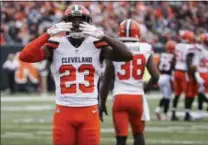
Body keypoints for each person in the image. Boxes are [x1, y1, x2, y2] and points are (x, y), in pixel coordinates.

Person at [19, 4, 133, 145]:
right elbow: (25, 56)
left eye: (81, 20)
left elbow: (128, 55)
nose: (77, 23)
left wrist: (104, 36)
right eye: (72, 19)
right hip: (64, 111)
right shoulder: (55, 45)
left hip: (89, 111)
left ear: (88, 23)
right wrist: (48, 34)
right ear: (65, 23)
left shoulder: (97, 45)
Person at [99, 19, 160, 145]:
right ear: (138, 32)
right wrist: (146, 88)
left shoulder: (115, 49)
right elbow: (155, 76)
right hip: (137, 97)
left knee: (121, 138)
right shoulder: (145, 48)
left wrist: (102, 102)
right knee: (138, 134)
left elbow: (106, 81)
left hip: (120, 97)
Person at [171, 30, 198, 121]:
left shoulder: (177, 46)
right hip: (184, 72)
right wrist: (192, 74)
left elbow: (174, 58)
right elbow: (188, 61)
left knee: (177, 94)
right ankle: (187, 114)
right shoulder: (190, 47)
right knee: (188, 94)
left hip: (176, 71)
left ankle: (173, 114)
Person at [154, 40, 176, 120]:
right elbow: (173, 68)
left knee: (164, 96)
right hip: (167, 77)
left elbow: (158, 66)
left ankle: (159, 109)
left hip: (160, 76)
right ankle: (164, 113)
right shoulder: (173, 56)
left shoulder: (162, 55)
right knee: (167, 97)